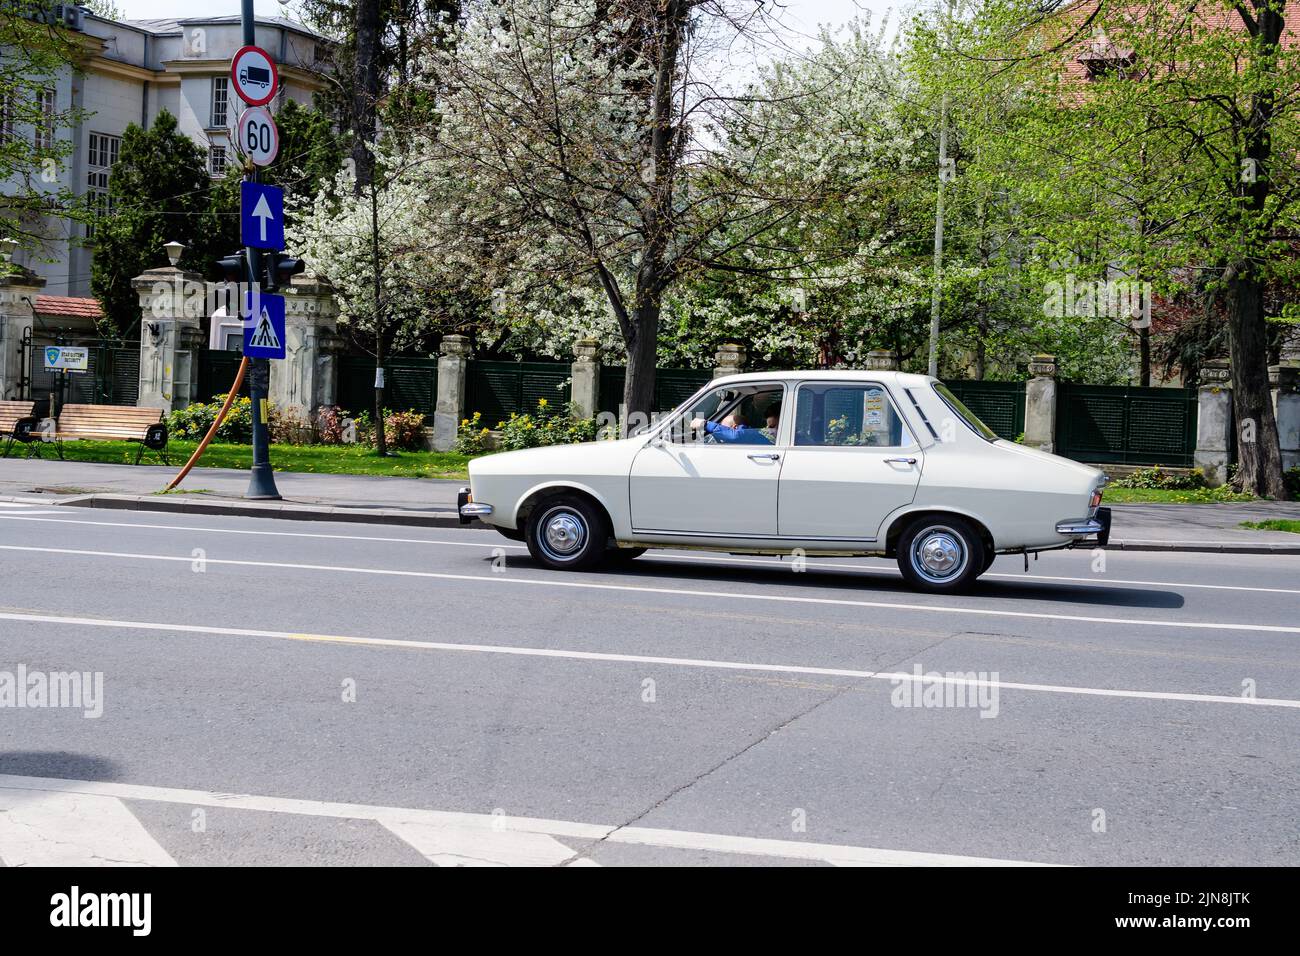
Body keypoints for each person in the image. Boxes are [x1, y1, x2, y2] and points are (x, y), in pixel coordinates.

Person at [689, 407, 775, 445]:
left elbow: (737, 435)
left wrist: (705, 424)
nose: (768, 429)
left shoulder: (748, 436)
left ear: (734, 428)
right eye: (769, 426)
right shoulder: (757, 436)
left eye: (772, 427)